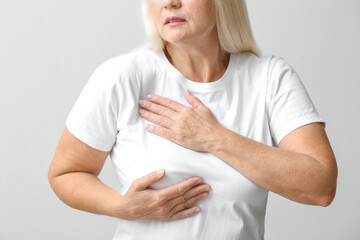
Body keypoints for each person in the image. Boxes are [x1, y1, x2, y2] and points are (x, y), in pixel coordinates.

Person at [48, 0, 338, 239]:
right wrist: (123, 207)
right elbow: (65, 173)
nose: (169, 4)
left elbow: (320, 187)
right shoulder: (124, 76)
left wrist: (213, 137)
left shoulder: (269, 78)